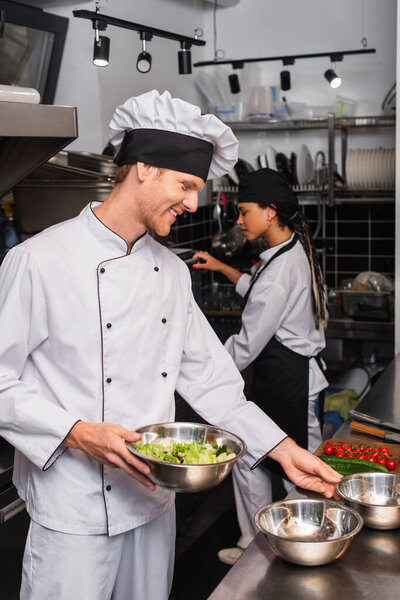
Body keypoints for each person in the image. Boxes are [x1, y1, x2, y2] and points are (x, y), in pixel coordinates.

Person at [0, 91, 339, 600]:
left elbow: (216, 385)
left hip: (154, 502)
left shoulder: (172, 272)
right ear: (142, 168)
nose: (192, 203)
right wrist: (77, 432)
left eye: (197, 188)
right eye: (185, 185)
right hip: (72, 511)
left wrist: (285, 451)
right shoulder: (38, 261)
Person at [193, 168, 329, 565]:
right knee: (265, 457)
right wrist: (221, 266)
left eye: (244, 211)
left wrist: (204, 372)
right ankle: (264, 541)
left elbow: (247, 344)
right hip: (290, 373)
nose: (240, 220)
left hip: (288, 377)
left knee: (287, 464)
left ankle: (288, 542)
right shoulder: (288, 250)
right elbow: (259, 289)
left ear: (269, 212)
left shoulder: (279, 272)